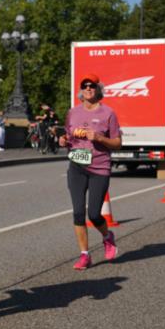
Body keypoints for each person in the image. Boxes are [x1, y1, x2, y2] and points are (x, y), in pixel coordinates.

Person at [60, 73, 122, 269]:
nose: (88, 88)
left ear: (98, 89)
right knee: (78, 213)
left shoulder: (108, 113)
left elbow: (118, 143)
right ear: (81, 90)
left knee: (94, 214)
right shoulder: (73, 113)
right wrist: (63, 140)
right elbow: (68, 136)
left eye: (92, 85)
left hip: (99, 168)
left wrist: (99, 138)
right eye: (85, 85)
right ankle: (84, 255)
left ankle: (107, 236)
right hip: (76, 167)